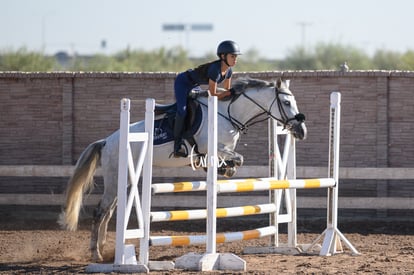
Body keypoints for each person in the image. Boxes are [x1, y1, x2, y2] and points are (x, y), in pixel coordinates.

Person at [172, 40, 241, 158]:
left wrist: (234, 94)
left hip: (195, 85)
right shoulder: (215, 69)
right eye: (232, 56)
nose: (235, 59)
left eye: (236, 57)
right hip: (183, 82)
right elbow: (213, 94)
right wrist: (227, 93)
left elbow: (226, 92)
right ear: (223, 56)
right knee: (182, 110)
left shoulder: (229, 71)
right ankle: (177, 144)